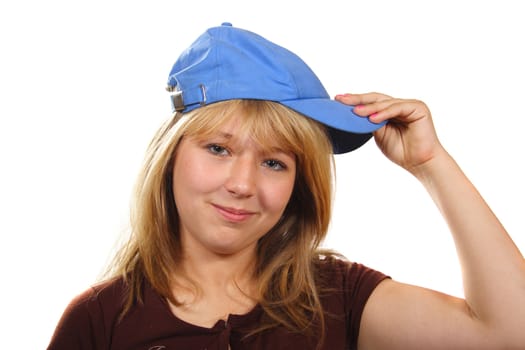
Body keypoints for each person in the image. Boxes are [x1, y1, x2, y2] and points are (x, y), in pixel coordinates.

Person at [47, 23, 525, 350]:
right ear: (170, 158)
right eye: (218, 149)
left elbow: (509, 333)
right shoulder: (99, 320)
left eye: (275, 162)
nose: (242, 184)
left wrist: (430, 163)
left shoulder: (337, 298)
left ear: (300, 184)